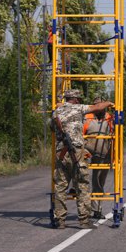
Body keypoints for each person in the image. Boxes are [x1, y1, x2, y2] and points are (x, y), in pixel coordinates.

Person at [51, 88, 113, 229]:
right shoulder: (78, 108)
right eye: (78, 98)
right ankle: (84, 220)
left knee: (61, 187)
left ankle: (60, 220)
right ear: (76, 99)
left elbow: (51, 127)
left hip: (61, 152)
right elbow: (97, 107)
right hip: (76, 152)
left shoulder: (56, 112)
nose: (79, 100)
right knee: (82, 185)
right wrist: (109, 102)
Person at [83, 101, 115, 220]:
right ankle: (84, 210)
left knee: (99, 181)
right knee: (82, 178)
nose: (100, 109)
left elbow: (116, 132)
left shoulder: (109, 119)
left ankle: (96, 210)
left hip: (104, 153)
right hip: (88, 151)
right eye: (97, 106)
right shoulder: (87, 118)